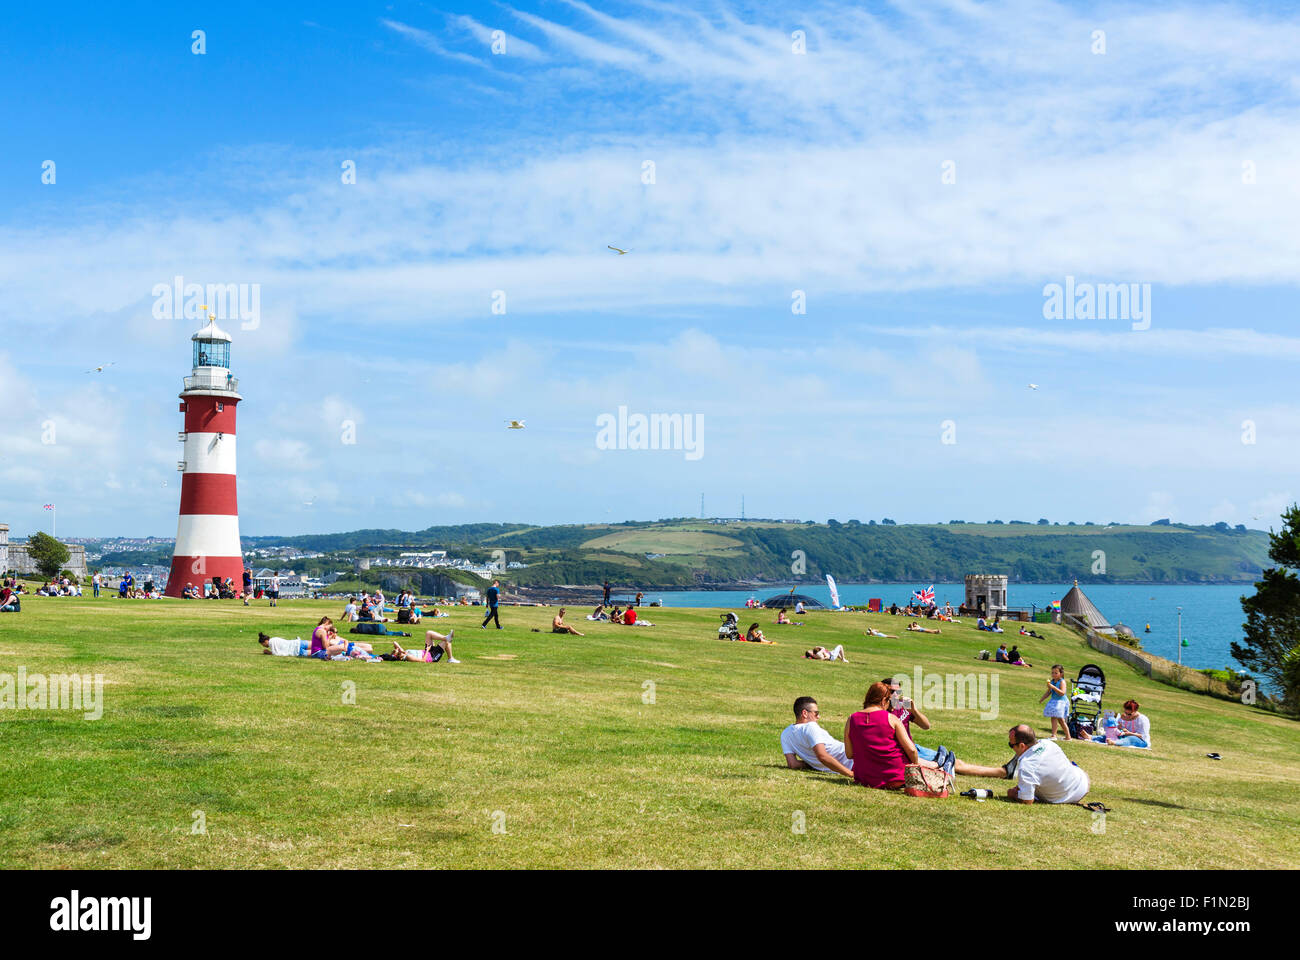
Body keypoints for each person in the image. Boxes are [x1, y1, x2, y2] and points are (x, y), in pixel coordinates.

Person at [844, 682, 922, 789]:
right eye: (889, 701)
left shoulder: (851, 719)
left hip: (864, 779)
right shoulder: (892, 718)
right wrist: (915, 767)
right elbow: (912, 750)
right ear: (883, 700)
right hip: (895, 778)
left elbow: (849, 754)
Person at [1006, 724, 1090, 804]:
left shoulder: (1026, 765)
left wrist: (1012, 794)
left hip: (1068, 797)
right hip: (1083, 781)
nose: (1011, 748)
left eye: (1011, 745)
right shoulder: (1047, 743)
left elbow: (1027, 800)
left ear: (1022, 746)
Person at [781, 696, 854, 776]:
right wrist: (850, 774)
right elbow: (822, 756)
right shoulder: (810, 727)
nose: (818, 717)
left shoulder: (785, 733)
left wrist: (813, 764)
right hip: (854, 761)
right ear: (804, 713)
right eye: (816, 713)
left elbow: (793, 764)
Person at [1040, 664, 1072, 740]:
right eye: (1052, 673)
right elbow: (1049, 692)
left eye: (1056, 673)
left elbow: (1062, 693)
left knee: (1061, 720)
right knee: (1053, 717)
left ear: (1061, 674)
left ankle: (1068, 736)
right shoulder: (1052, 681)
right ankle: (1054, 735)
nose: (1053, 674)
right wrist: (1042, 698)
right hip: (1054, 701)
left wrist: (1053, 687)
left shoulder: (1062, 682)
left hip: (1061, 702)